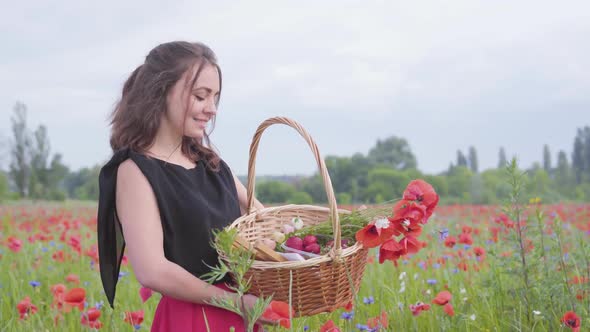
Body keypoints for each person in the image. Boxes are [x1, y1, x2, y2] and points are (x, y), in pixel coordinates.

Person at [97, 41, 271, 331]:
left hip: (244, 313)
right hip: (192, 318)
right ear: (161, 92)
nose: (212, 109)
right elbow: (153, 271)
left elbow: (263, 224)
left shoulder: (211, 163)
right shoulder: (135, 171)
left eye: (215, 97)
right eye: (201, 96)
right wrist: (234, 302)